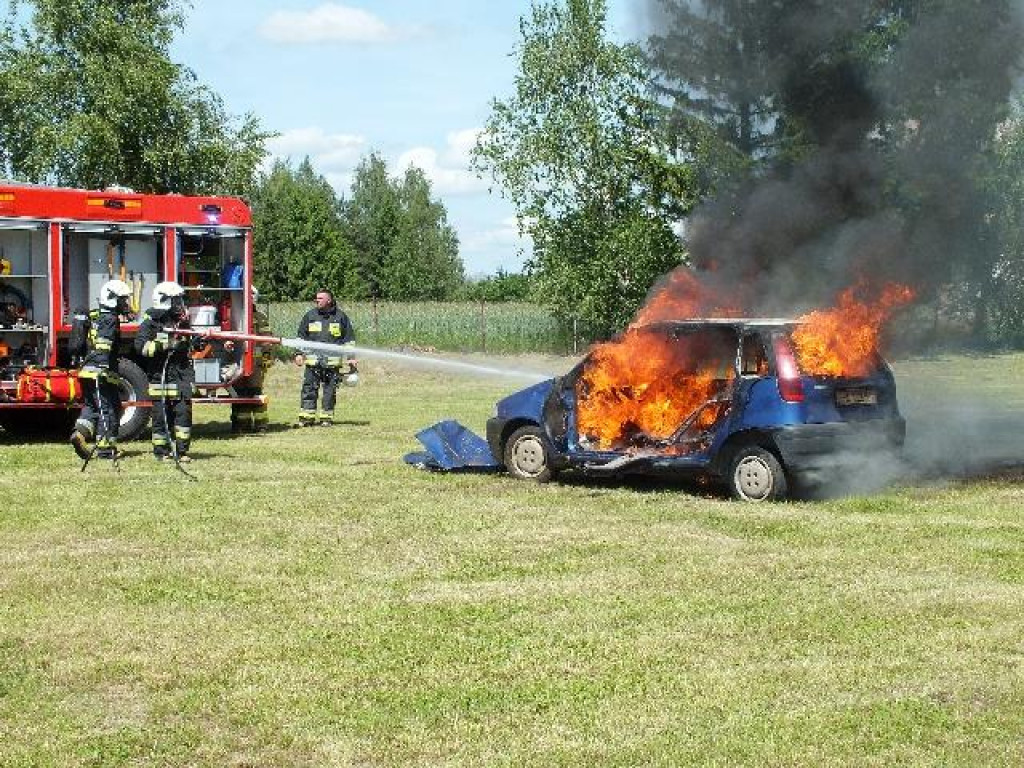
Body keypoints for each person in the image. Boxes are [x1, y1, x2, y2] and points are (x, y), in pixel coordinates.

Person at [134, 281, 201, 462]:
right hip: (160, 376)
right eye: (176, 300)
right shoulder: (150, 324)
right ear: (165, 300)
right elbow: (141, 347)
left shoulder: (181, 322)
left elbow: (190, 341)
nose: (180, 304)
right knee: (161, 417)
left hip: (181, 374)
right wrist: (165, 344)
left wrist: (198, 340)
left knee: (183, 414)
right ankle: (162, 452)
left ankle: (182, 451)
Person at [70, 279, 133, 461]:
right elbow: (104, 345)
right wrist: (104, 367)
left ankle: (79, 434)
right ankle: (106, 450)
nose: (125, 303)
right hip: (101, 372)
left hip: (87, 370)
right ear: (112, 299)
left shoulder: (95, 315)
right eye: (122, 299)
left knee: (91, 407)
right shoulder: (110, 319)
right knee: (109, 409)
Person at [294, 289, 355, 426]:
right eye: (316, 298)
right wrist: (298, 353)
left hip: (332, 364)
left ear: (329, 300)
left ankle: (326, 418)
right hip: (313, 362)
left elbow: (349, 340)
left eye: (320, 298)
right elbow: (301, 337)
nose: (317, 301)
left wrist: (351, 358)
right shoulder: (310, 316)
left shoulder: (340, 317)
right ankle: (306, 418)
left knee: (329, 392)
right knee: (309, 389)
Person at [230, 285, 272, 433]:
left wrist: (266, 358)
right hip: (237, 361)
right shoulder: (234, 314)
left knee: (255, 392)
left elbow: (267, 340)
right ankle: (241, 425)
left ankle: (261, 425)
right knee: (238, 393)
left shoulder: (260, 317)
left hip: (256, 363)